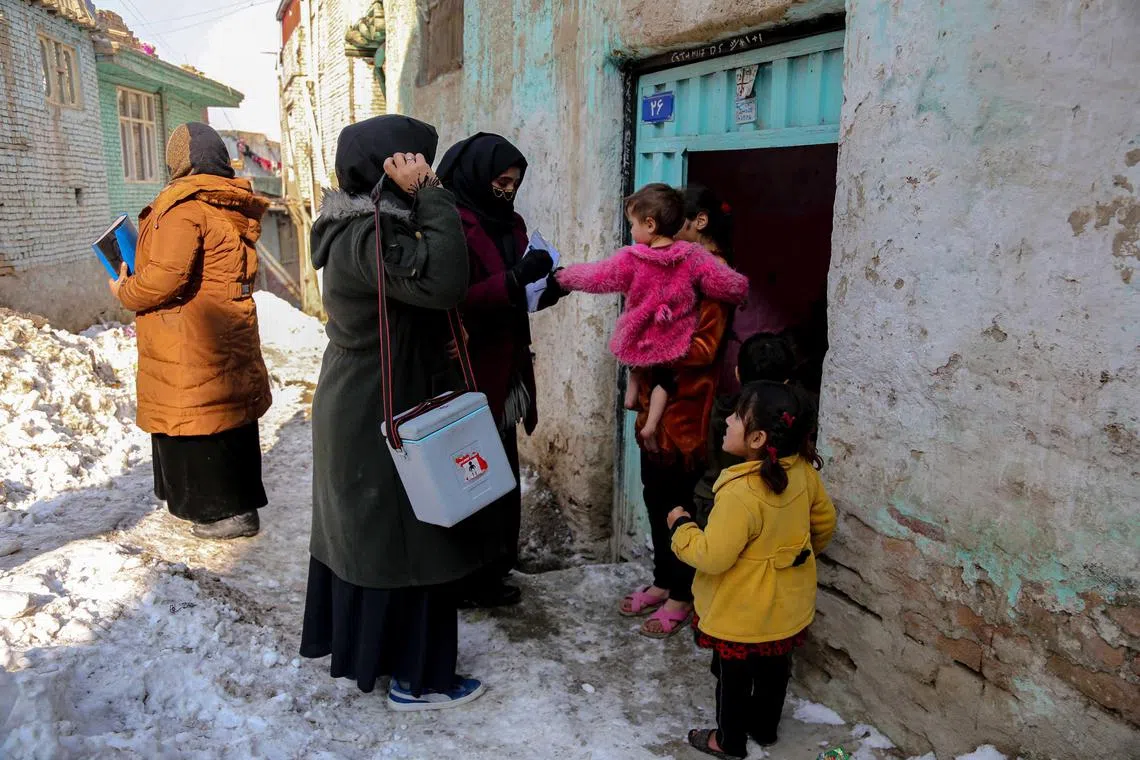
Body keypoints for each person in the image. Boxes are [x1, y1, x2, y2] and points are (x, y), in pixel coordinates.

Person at [300, 114, 501, 710]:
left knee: (390, 541)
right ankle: (417, 679)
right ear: (390, 168)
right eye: (417, 162)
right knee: (411, 543)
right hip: (377, 410)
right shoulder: (369, 236)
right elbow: (443, 283)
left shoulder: (369, 229)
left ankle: (392, 663)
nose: (427, 172)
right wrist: (433, 197)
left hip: (375, 400)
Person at [109, 122, 271, 541]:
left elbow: (164, 280)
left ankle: (223, 514)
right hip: (222, 327)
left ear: (178, 161)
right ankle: (234, 509)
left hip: (190, 332)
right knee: (224, 413)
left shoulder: (184, 208)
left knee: (199, 418)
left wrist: (124, 288)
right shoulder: (223, 202)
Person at [667, 382, 836, 758]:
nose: (726, 421)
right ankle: (765, 728)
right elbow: (823, 524)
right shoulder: (804, 473)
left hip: (740, 614)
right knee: (776, 671)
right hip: (787, 605)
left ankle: (728, 741)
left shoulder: (740, 493)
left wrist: (681, 527)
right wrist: (799, 555)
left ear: (757, 438)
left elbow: (713, 556)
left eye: (736, 417)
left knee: (733, 681)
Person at [435, 133, 556, 608]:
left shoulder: (513, 222)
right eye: (501, 181)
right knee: (468, 476)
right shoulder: (451, 223)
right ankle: (460, 574)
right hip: (466, 370)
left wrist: (549, 283)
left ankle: (493, 569)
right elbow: (455, 297)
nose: (507, 190)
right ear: (476, 176)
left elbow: (525, 289)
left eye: (515, 183)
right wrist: (511, 280)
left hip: (508, 371)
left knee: (500, 475)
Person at [556, 183, 748, 452]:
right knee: (662, 381)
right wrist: (741, 291)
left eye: (632, 224)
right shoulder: (694, 258)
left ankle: (633, 400)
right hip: (672, 343)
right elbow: (726, 283)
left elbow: (596, 277)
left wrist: (564, 277)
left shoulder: (631, 259)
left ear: (649, 224)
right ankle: (647, 420)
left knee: (641, 364)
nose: (631, 231)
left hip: (640, 342)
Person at [690, 333, 795, 527]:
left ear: (737, 373)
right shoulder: (790, 423)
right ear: (787, 383)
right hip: (765, 507)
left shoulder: (719, 409)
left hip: (712, 498)